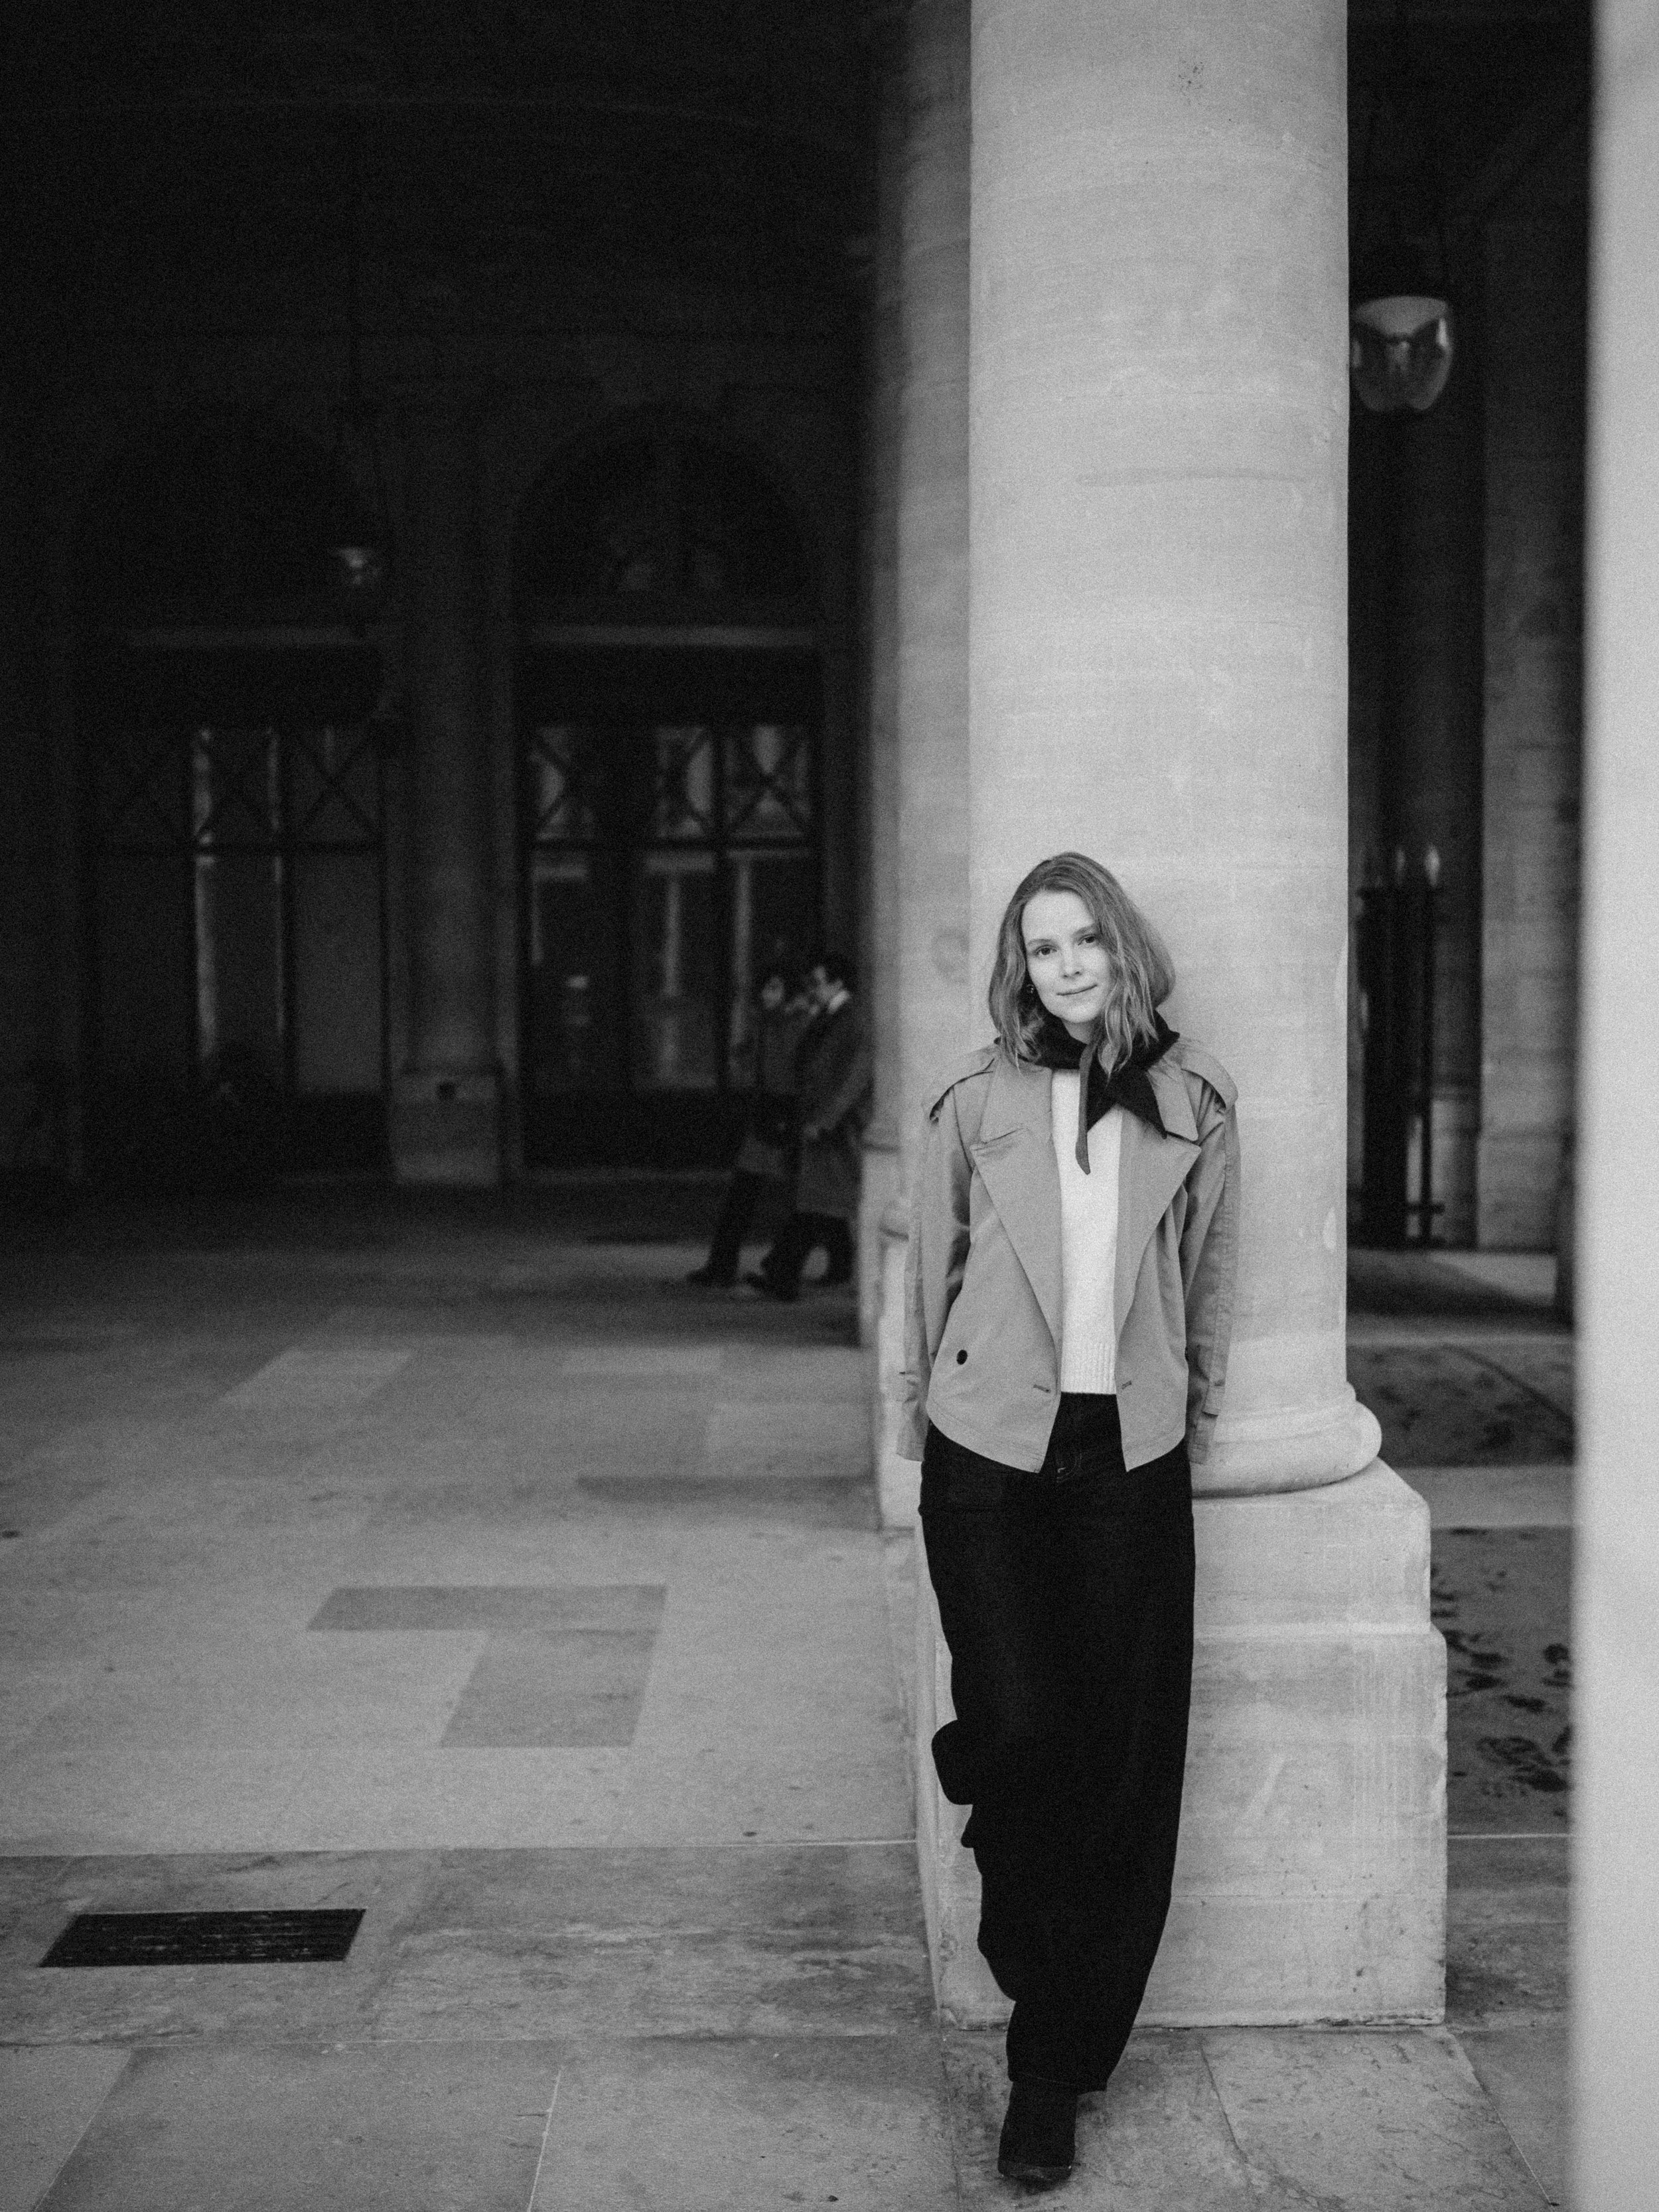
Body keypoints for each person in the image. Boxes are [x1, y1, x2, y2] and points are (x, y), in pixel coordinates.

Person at [899, 850, 1240, 2189]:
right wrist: (911, 1424)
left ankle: (1050, 2065)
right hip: (984, 1445)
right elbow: (926, 1279)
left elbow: (1206, 1273)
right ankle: (985, 1777)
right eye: (1042, 948)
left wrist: (1189, 1424)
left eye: (1084, 936)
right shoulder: (973, 1100)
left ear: (1119, 944)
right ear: (1019, 968)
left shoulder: (1192, 1099)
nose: (1067, 964)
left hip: (1127, 1450)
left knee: (1116, 1760)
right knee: (1022, 1725)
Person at [746, 950, 873, 1301]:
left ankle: (781, 1270)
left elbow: (854, 1078)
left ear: (837, 983)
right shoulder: (829, 1016)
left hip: (834, 1129)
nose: (812, 990)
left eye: (818, 983)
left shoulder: (852, 1020)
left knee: (817, 1202)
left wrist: (826, 1121)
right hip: (820, 1123)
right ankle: (834, 1267)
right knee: (821, 1201)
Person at [687, 962, 809, 1288]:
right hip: (768, 1110)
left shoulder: (794, 1024)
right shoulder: (767, 1023)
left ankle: (725, 1265)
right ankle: (724, 1264)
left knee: (767, 1193)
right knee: (771, 1192)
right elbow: (753, 1062)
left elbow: (790, 1070)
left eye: (775, 989)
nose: (767, 995)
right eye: (765, 988)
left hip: (782, 1113)